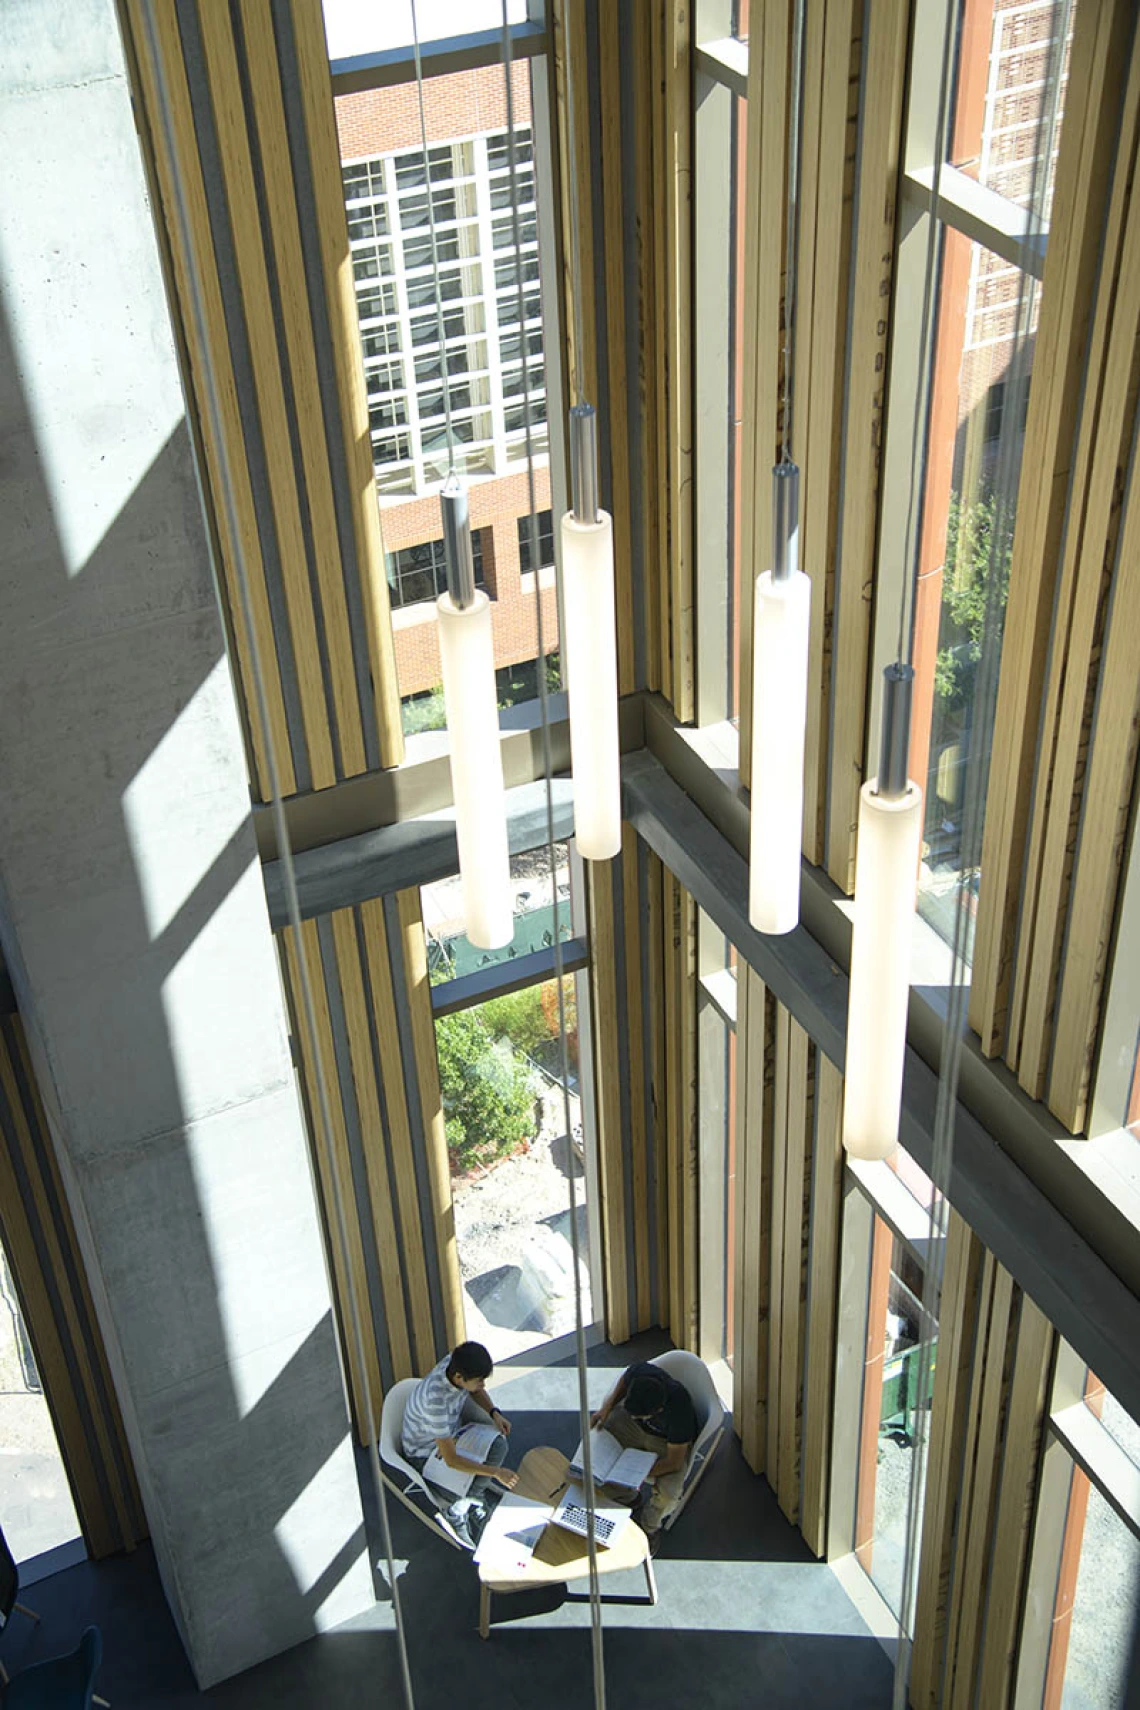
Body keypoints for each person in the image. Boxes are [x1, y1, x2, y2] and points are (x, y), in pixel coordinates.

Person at [401, 1340, 517, 1547]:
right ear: (458, 1378)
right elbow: (452, 1461)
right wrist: (496, 1473)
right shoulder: (434, 1403)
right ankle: (456, 1510)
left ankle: (473, 1494)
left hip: (453, 1433)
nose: (483, 1385)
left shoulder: (454, 1362)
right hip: (426, 1454)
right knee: (472, 1476)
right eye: (479, 1380)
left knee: (500, 1446)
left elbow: (475, 1390)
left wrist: (494, 1413)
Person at [590, 1360, 695, 1547]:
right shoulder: (641, 1372)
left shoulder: (680, 1412)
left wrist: (638, 1474)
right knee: (601, 1437)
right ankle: (627, 1497)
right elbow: (624, 1379)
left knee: (669, 1493)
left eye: (638, 1415)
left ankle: (649, 1527)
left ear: (658, 1410)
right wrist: (606, 1407)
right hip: (633, 1430)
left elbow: (674, 1462)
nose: (633, 1416)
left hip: (664, 1441)